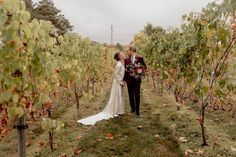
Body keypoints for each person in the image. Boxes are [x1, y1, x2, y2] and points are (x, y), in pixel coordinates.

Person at [77, 52, 126, 125]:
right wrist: (120, 82)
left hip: (119, 82)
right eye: (121, 54)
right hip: (117, 82)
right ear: (119, 57)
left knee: (119, 95)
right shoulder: (118, 64)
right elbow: (116, 75)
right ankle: (115, 110)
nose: (123, 54)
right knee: (117, 96)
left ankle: (118, 110)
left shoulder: (121, 63)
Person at [124, 46, 147, 117]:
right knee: (130, 95)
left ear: (131, 51)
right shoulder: (126, 60)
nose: (127, 53)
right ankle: (132, 109)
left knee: (137, 95)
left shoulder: (140, 58)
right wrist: (124, 79)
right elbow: (126, 70)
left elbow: (144, 67)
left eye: (127, 51)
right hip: (129, 80)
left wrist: (140, 71)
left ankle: (137, 111)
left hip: (137, 80)